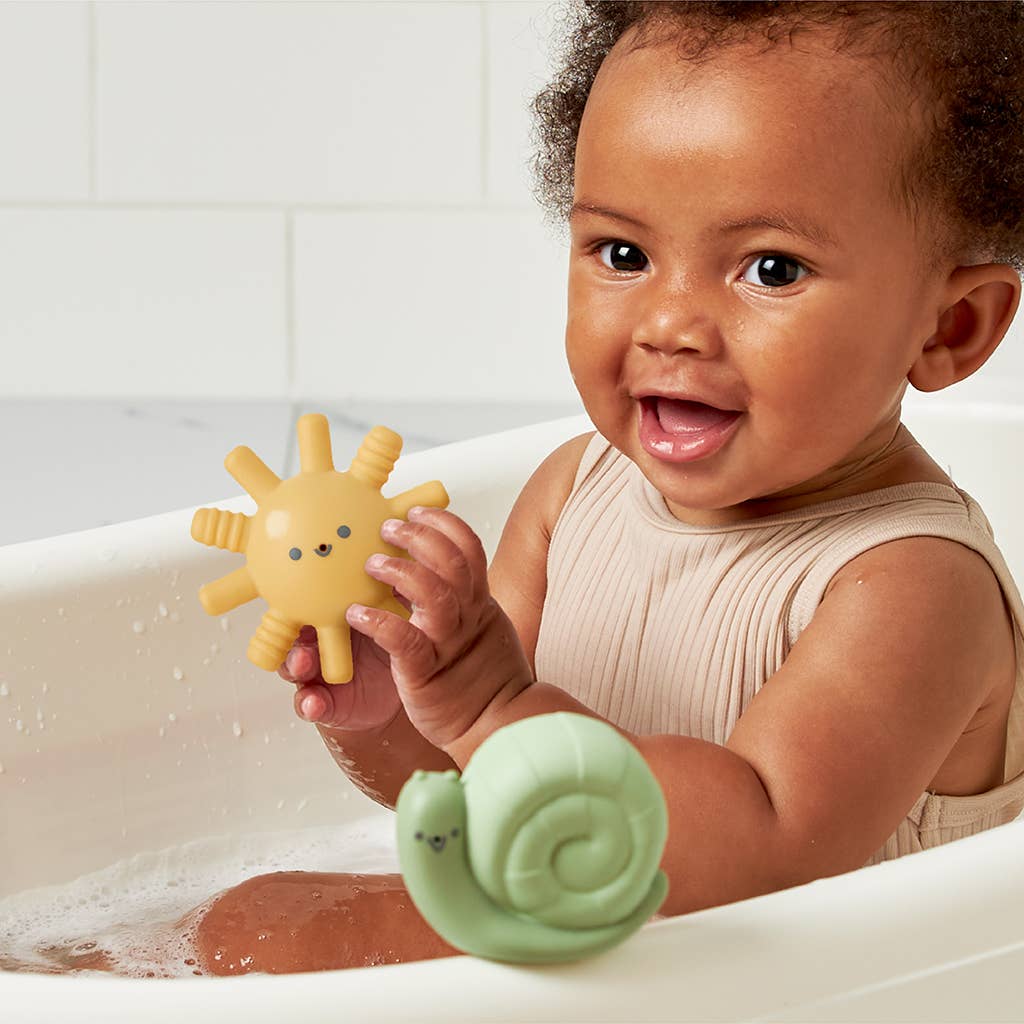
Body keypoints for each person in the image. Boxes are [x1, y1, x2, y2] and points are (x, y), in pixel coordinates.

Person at [196, 0, 1024, 974]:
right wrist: (394, 703)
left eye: (770, 268)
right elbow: (475, 774)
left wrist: (486, 697)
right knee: (252, 915)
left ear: (949, 329)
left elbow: (764, 848)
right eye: (622, 254)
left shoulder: (909, 586)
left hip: (810, 989)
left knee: (272, 941)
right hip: (612, 949)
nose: (670, 322)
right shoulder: (572, 494)